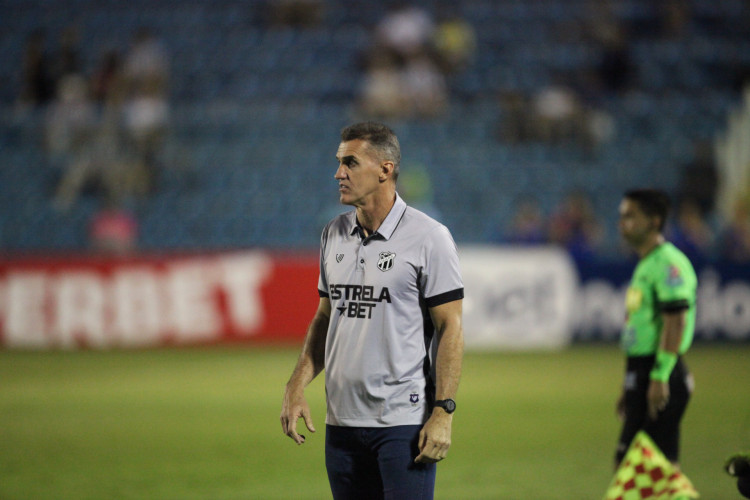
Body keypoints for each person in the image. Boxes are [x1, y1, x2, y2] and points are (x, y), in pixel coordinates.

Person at [280, 122, 464, 499]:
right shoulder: (332, 234)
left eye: (350, 162)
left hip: (402, 422)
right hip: (341, 423)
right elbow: (325, 318)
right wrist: (296, 385)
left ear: (385, 169)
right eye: (338, 162)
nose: (338, 173)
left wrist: (443, 412)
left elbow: (450, 327)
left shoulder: (430, 237)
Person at [615, 189, 697, 469]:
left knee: (632, 468)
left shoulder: (668, 264)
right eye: (621, 216)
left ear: (654, 220)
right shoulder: (647, 263)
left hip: (660, 372)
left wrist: (659, 376)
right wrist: (630, 387)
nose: (622, 223)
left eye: (630, 216)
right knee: (661, 470)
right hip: (642, 373)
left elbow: (675, 320)